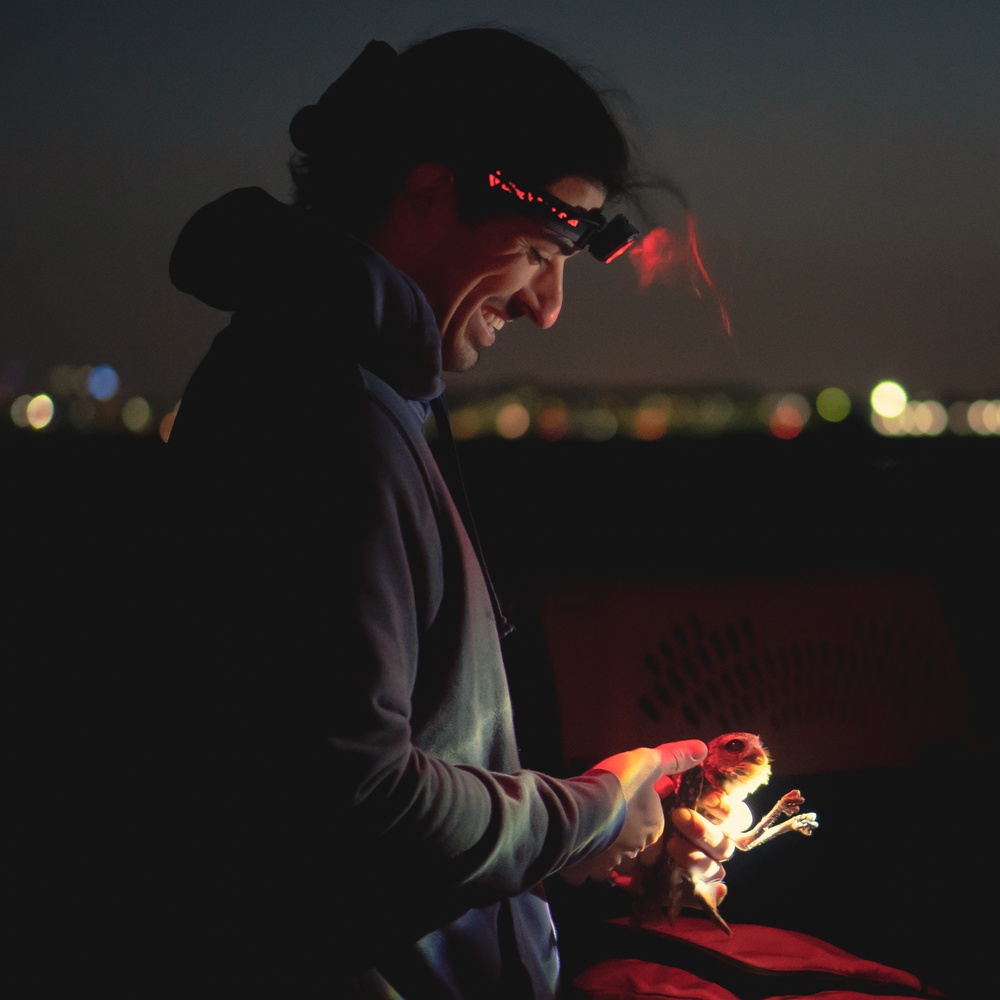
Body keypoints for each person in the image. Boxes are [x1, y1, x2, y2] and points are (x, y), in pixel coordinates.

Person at [164, 28, 739, 998]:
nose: (548, 307)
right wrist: (594, 809)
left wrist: (558, 837)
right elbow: (357, 808)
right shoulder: (322, 414)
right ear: (427, 194)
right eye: (538, 249)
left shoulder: (362, 389)